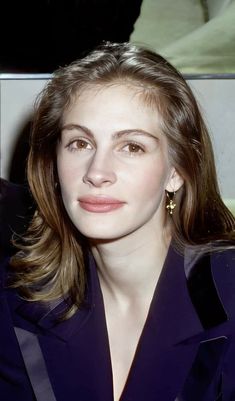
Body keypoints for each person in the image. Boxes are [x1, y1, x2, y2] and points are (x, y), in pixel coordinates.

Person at [0, 42, 235, 401]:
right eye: (80, 143)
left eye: (132, 147)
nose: (97, 173)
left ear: (177, 171)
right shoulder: (15, 298)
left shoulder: (228, 292)